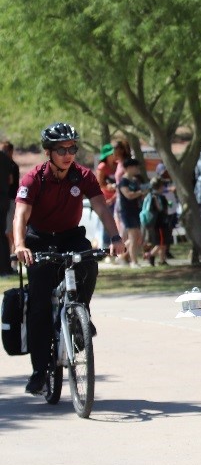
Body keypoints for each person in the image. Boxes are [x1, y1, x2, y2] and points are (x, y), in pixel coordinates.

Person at [12, 122, 126, 395]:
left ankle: (80, 315)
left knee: (89, 261)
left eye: (72, 148)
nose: (68, 153)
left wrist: (115, 237)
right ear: (48, 152)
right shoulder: (34, 179)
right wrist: (20, 244)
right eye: (61, 149)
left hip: (71, 236)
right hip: (39, 239)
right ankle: (39, 371)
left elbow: (100, 207)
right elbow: (21, 215)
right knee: (39, 306)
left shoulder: (83, 175)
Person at [117, 159, 146, 266]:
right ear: (128, 168)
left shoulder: (134, 180)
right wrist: (140, 192)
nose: (137, 169)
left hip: (136, 211)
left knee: (137, 237)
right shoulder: (123, 181)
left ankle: (121, 256)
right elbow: (128, 195)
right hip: (127, 212)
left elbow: (138, 195)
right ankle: (134, 262)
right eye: (135, 167)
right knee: (133, 237)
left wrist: (143, 193)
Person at [0, 140, 17, 275]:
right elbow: (10, 180)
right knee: (4, 234)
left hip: (7, 200)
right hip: (5, 199)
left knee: (6, 234)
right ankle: (6, 266)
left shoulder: (9, 162)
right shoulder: (7, 161)